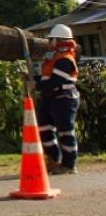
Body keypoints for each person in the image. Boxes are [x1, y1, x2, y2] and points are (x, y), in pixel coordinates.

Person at [37, 24, 81, 174]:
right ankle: (53, 160)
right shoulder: (54, 57)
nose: (49, 42)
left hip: (64, 99)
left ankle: (69, 165)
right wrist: (34, 79)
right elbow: (47, 78)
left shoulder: (65, 59)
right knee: (44, 129)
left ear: (59, 40)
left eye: (51, 39)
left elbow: (55, 81)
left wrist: (36, 85)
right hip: (50, 98)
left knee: (65, 132)